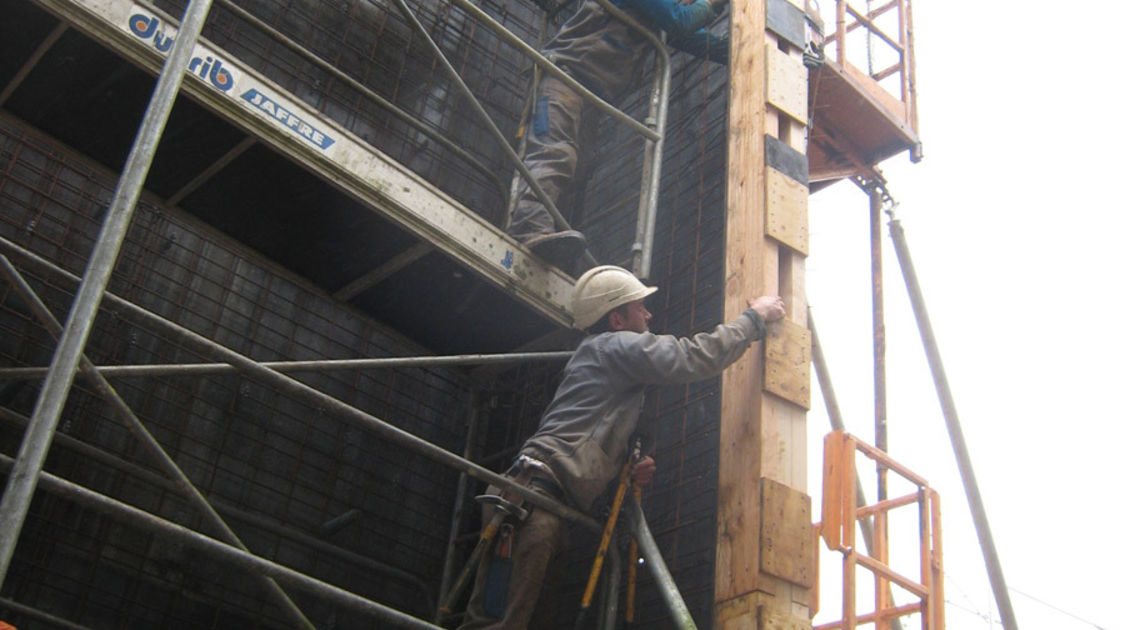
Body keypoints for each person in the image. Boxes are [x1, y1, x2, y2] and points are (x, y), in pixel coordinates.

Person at [457, 265, 785, 629]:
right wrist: (754, 319)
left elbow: (590, 438)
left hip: (537, 503)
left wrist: (623, 466)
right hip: (532, 504)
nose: (648, 314)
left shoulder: (603, 362)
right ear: (616, 319)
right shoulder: (613, 346)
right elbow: (691, 356)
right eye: (639, 307)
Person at [509, 0, 730, 266]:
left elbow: (691, 38)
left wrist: (738, 50)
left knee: (577, 170)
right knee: (554, 152)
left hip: (591, 96)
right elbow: (680, 21)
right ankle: (530, 230)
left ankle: (549, 240)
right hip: (563, 77)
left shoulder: (652, 13)